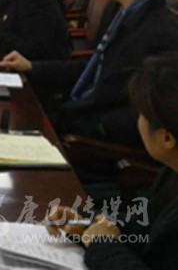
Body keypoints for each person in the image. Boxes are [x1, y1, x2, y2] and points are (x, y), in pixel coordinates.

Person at [0, 0, 178, 145]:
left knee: (14, 130)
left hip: (96, 134)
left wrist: (93, 127)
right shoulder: (125, 13)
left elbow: (147, 111)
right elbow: (97, 69)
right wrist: (32, 66)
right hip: (82, 112)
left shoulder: (158, 34)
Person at [44, 52, 178, 270]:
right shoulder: (172, 172)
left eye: (142, 114)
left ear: (167, 138)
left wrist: (103, 244)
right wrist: (88, 223)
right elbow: (146, 229)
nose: (138, 121)